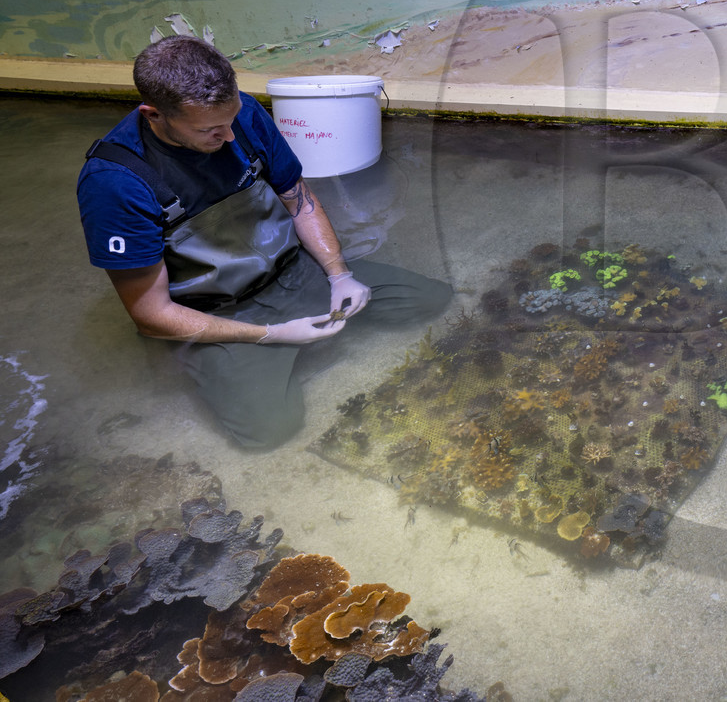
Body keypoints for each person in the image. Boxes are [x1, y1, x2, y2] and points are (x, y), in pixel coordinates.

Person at [76, 36, 451, 448]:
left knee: (430, 299)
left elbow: (298, 199)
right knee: (268, 432)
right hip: (221, 311)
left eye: (231, 118)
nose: (230, 137)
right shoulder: (114, 184)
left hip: (291, 271)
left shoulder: (244, 115)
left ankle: (296, 340)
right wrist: (270, 335)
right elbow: (151, 314)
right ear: (154, 115)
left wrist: (339, 274)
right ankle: (231, 361)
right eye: (209, 130)